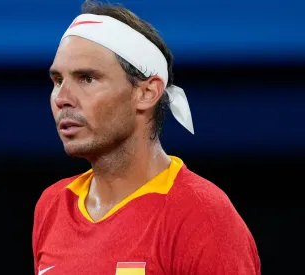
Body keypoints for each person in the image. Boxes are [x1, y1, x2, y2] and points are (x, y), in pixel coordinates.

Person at [32, 1, 260, 274]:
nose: (62, 99)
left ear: (147, 93)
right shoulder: (53, 204)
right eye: (57, 81)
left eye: (87, 78)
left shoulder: (203, 216)